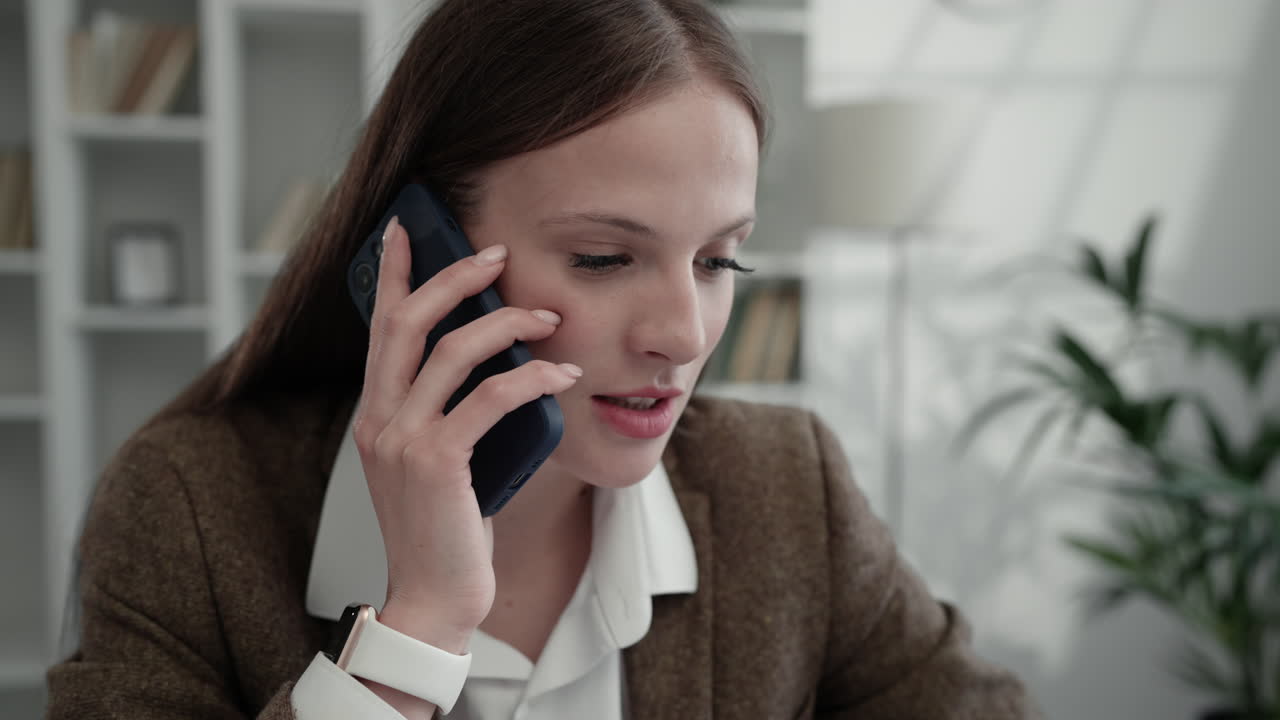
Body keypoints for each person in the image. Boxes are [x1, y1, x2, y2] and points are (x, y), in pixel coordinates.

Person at [46, 0, 1040, 717]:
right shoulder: (188, 503)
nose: (685, 335)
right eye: (605, 258)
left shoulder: (786, 485)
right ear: (419, 247)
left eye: (717, 258)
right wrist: (415, 627)